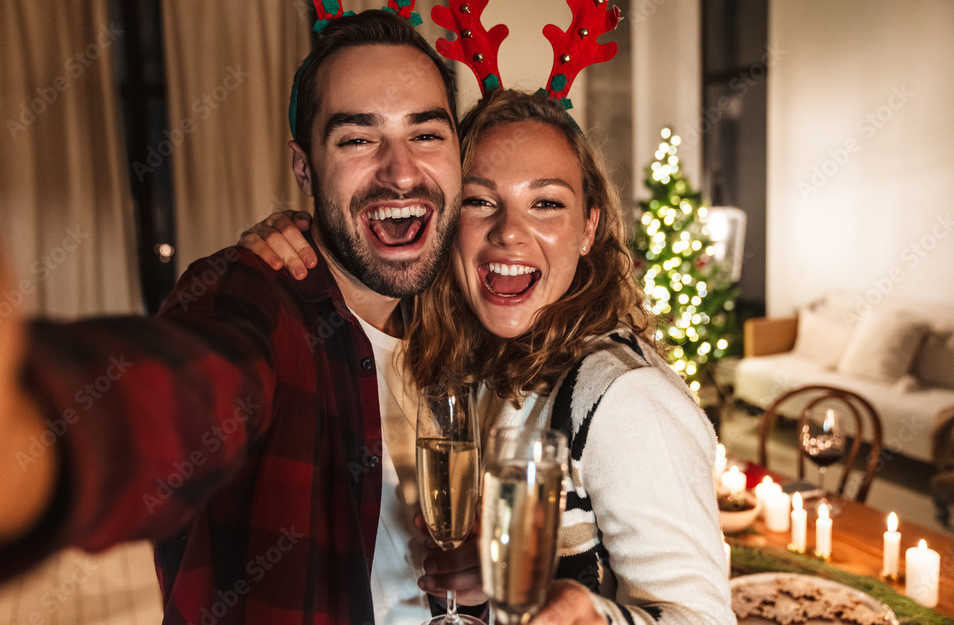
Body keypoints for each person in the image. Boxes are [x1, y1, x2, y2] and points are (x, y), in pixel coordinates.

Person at [0, 9, 480, 624]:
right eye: (358, 139)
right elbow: (188, 391)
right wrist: (22, 439)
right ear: (303, 167)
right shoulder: (252, 296)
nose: (400, 171)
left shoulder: (457, 323)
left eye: (426, 134)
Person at [243, 89, 736, 625]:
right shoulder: (474, 361)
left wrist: (595, 616)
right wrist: (490, 586)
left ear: (589, 228)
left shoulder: (622, 398)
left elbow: (705, 617)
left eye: (546, 203)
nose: (508, 232)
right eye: (479, 201)